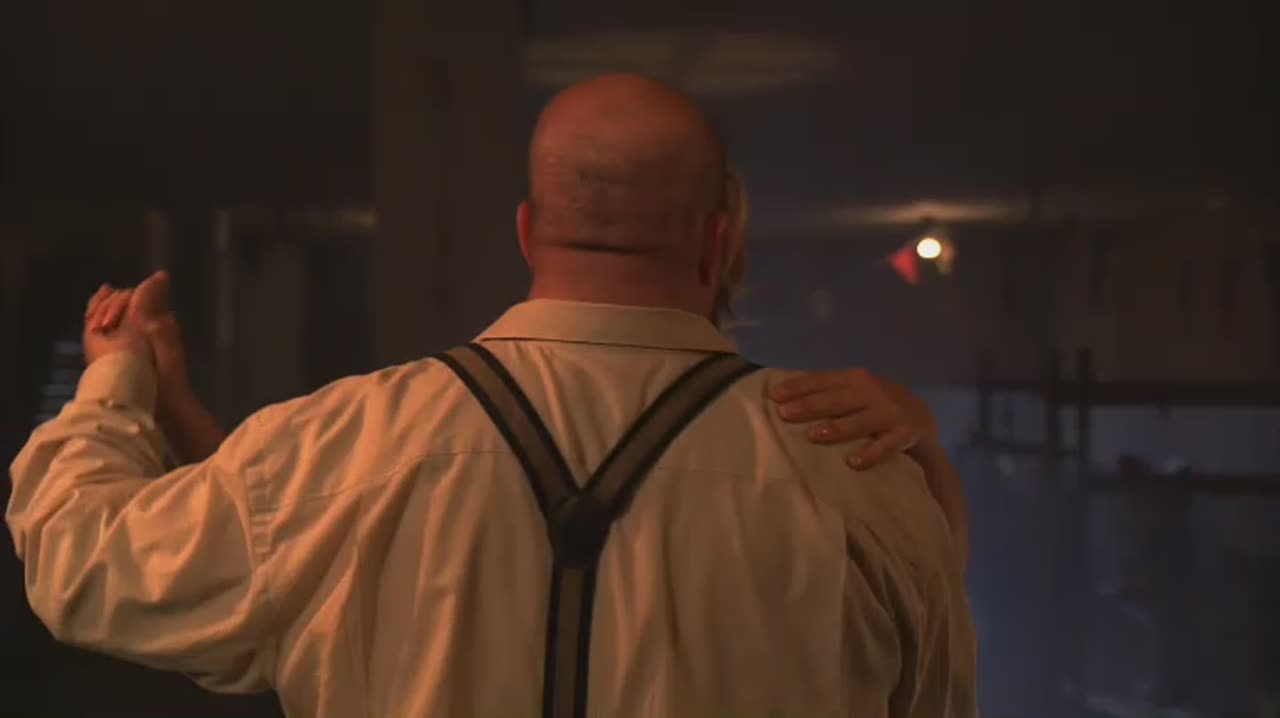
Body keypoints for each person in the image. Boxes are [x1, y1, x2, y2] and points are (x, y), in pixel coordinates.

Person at [9, 74, 975, 717]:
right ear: (716, 242)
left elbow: (83, 559)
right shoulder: (858, 478)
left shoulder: (348, 445)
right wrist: (920, 461)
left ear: (526, 232)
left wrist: (118, 377)